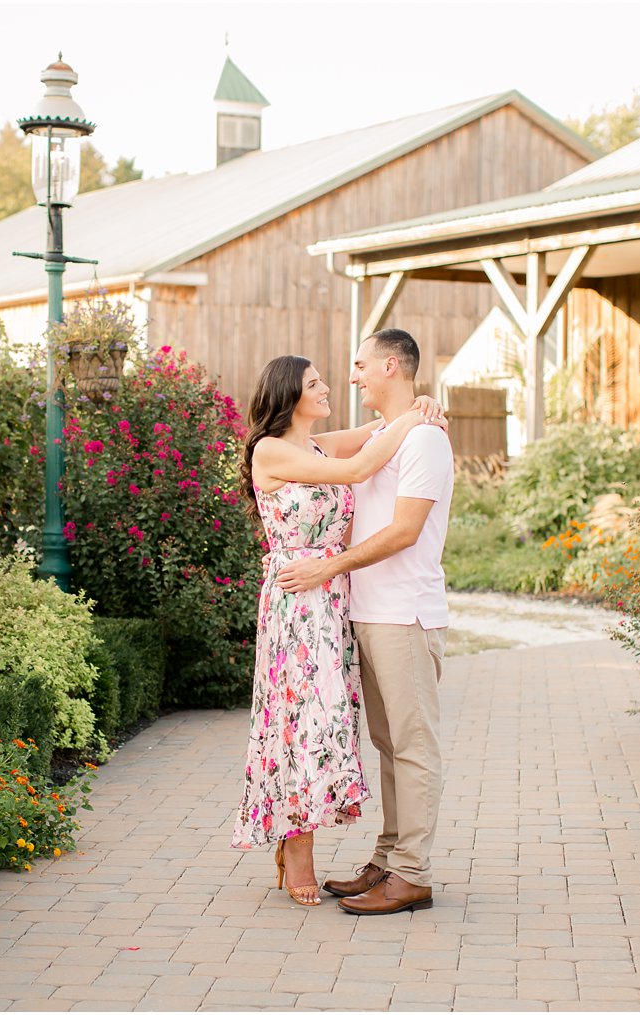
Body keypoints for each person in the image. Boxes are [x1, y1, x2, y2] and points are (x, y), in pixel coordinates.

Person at [229, 353, 444, 906]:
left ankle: (320, 841)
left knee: (325, 727)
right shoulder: (271, 450)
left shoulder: (317, 446)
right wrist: (410, 420)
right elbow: (360, 468)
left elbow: (378, 430)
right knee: (298, 723)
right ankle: (298, 849)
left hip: (333, 599)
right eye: (315, 383)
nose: (330, 387)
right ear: (288, 395)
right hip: (298, 599)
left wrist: (421, 404)